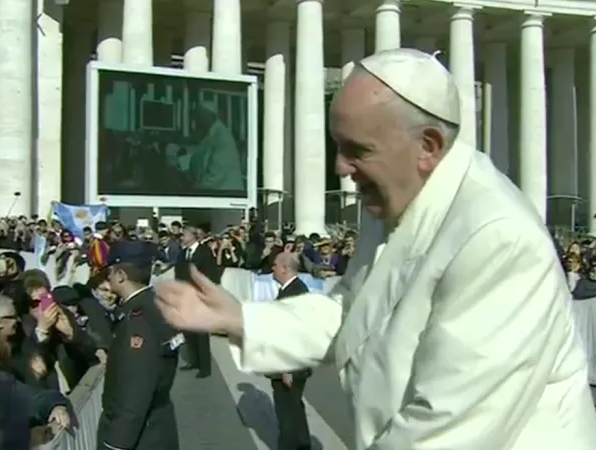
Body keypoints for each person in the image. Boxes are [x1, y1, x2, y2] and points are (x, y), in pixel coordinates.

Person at [154, 48, 596, 449]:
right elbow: (353, 311)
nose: (339, 168)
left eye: (357, 150)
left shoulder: (500, 240)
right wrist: (241, 318)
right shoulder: (399, 197)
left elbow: (446, 431)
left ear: (428, 146)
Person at [97, 240, 180, 450]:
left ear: (120, 276)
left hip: (142, 436)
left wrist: (116, 443)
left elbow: (136, 391)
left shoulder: (138, 320)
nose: (107, 278)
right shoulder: (155, 305)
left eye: (110, 272)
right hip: (157, 426)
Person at [267, 252, 312, 450]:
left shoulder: (293, 292)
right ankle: (303, 445)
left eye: (275, 264)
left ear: (285, 268)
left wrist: (288, 368)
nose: (272, 268)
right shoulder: (294, 289)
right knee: (295, 408)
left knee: (286, 414)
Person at [175, 225, 218, 375]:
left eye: (184, 235)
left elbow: (212, 275)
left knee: (201, 334)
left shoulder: (205, 252)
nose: (182, 238)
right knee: (189, 332)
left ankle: (205, 367)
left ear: (193, 236)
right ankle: (194, 360)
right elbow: (178, 273)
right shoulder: (183, 253)